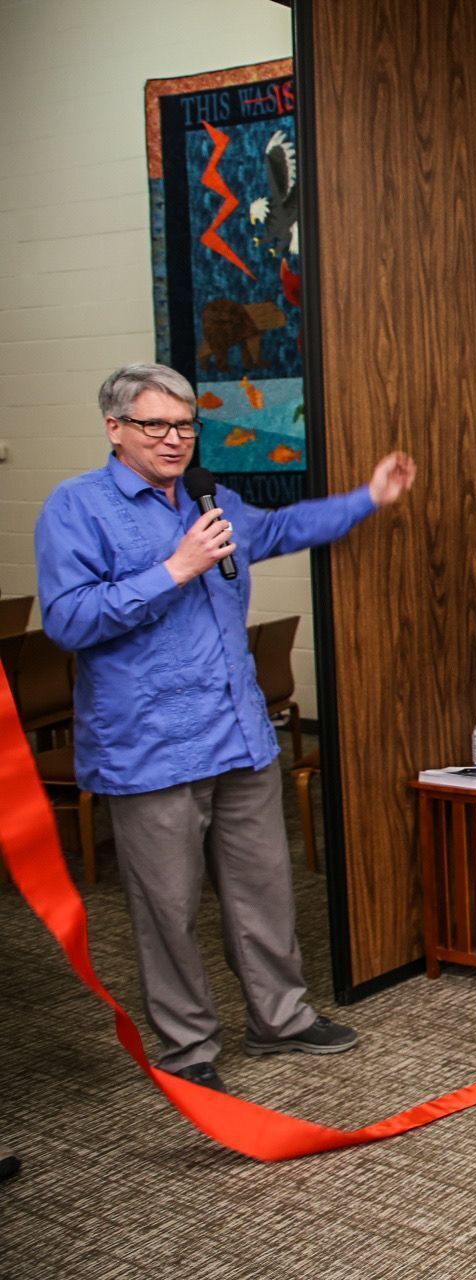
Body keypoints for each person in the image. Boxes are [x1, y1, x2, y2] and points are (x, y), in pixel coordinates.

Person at [34, 363, 417, 1094]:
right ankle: (185, 1049)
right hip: (151, 747)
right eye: (156, 426)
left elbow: (278, 528)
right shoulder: (75, 507)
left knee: (263, 887)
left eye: (185, 424)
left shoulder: (208, 497)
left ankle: (282, 1020)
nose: (175, 439)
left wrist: (367, 498)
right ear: (115, 429)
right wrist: (172, 571)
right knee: (168, 906)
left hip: (238, 732)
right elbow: (68, 620)